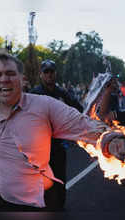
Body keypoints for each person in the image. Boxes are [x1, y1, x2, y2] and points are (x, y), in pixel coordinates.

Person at [0, 52, 125, 212]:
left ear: (22, 79)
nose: (4, 79)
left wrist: (112, 141)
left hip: (36, 202)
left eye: (10, 74)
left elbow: (81, 123)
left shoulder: (44, 104)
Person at [30, 59, 83, 210]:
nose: (49, 75)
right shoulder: (34, 94)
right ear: (41, 75)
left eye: (51, 72)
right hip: (38, 147)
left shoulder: (63, 93)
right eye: (46, 72)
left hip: (58, 146)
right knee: (40, 182)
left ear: (55, 73)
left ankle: (60, 209)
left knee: (59, 180)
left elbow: (79, 110)